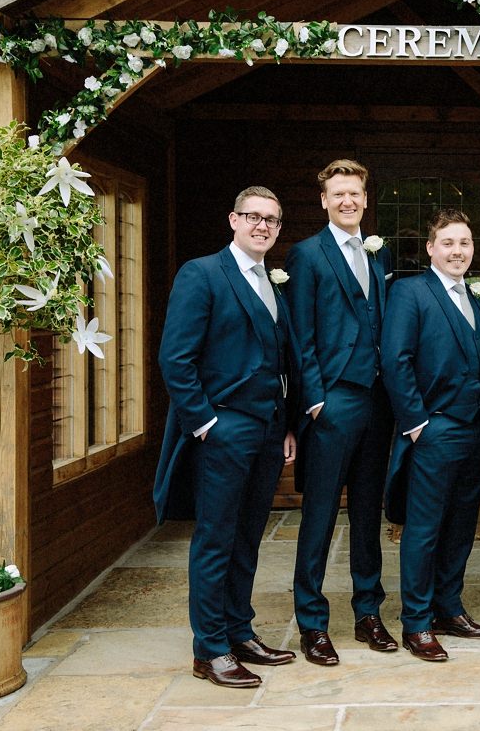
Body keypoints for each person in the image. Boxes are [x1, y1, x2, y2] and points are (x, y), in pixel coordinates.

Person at [155, 186, 300, 689]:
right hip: (223, 428)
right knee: (215, 539)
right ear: (233, 220)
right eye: (253, 217)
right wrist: (205, 423)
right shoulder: (202, 274)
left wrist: (283, 426)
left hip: (265, 432)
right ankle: (210, 649)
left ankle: (240, 631)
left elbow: (278, 362)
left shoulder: (270, 283)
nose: (262, 226)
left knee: (247, 537)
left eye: (272, 220)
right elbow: (176, 358)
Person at [285, 159, 397, 666]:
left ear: (365, 200)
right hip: (334, 401)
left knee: (368, 513)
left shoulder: (379, 253)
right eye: (339, 195)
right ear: (325, 201)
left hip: (377, 403)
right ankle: (311, 621)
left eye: (355, 193)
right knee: (321, 515)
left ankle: (368, 611)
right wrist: (315, 400)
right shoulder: (308, 255)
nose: (348, 201)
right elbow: (301, 333)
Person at [380, 207, 480, 662]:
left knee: (461, 526)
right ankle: (416, 621)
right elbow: (396, 360)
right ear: (431, 248)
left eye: (464, 243)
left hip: (475, 432)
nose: (457, 251)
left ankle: (449, 607)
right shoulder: (410, 292)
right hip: (433, 429)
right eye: (448, 243)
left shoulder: (473, 298)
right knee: (425, 528)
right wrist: (417, 426)